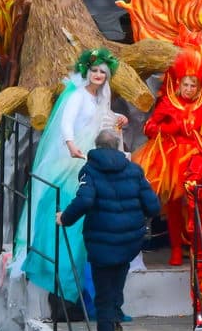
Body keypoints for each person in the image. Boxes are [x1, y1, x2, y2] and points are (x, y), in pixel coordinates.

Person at [16, 49, 124, 303]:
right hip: (74, 156)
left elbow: (103, 119)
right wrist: (70, 143)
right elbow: (67, 121)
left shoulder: (100, 98)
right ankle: (60, 270)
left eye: (102, 72)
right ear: (87, 72)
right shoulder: (76, 96)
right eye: (95, 71)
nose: (98, 75)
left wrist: (118, 118)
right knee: (69, 199)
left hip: (91, 152)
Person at [58, 129, 162, 331]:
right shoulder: (134, 170)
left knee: (102, 304)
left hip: (102, 245)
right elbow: (153, 207)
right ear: (117, 147)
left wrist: (65, 218)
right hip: (128, 241)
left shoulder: (90, 171)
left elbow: (84, 200)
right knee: (119, 274)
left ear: (96, 145)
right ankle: (116, 312)